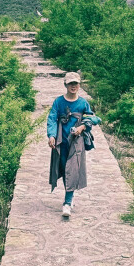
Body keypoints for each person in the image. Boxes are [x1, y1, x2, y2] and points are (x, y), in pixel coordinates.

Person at [47, 72, 95, 218]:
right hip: (62, 140)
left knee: (72, 169)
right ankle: (69, 195)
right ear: (65, 85)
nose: (73, 86)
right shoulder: (59, 102)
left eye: (76, 83)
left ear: (79, 85)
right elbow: (52, 118)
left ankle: (67, 202)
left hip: (77, 141)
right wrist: (52, 135)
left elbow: (90, 119)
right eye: (70, 84)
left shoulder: (83, 103)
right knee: (62, 168)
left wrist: (82, 127)